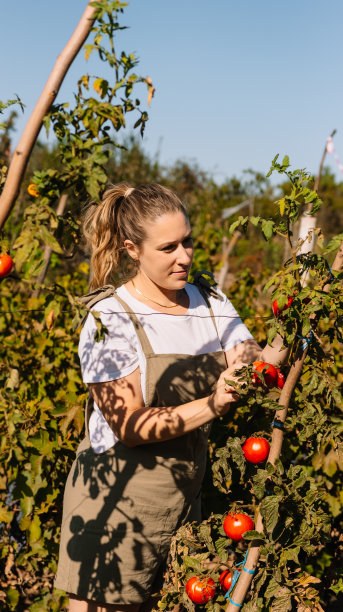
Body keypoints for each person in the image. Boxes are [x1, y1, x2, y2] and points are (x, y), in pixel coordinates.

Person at [54, 183, 262, 612]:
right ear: (132, 249)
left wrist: (302, 313)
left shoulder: (209, 302)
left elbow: (253, 361)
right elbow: (128, 426)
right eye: (168, 247)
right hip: (115, 504)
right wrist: (212, 405)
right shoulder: (109, 318)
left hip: (184, 502)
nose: (184, 256)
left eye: (187, 242)